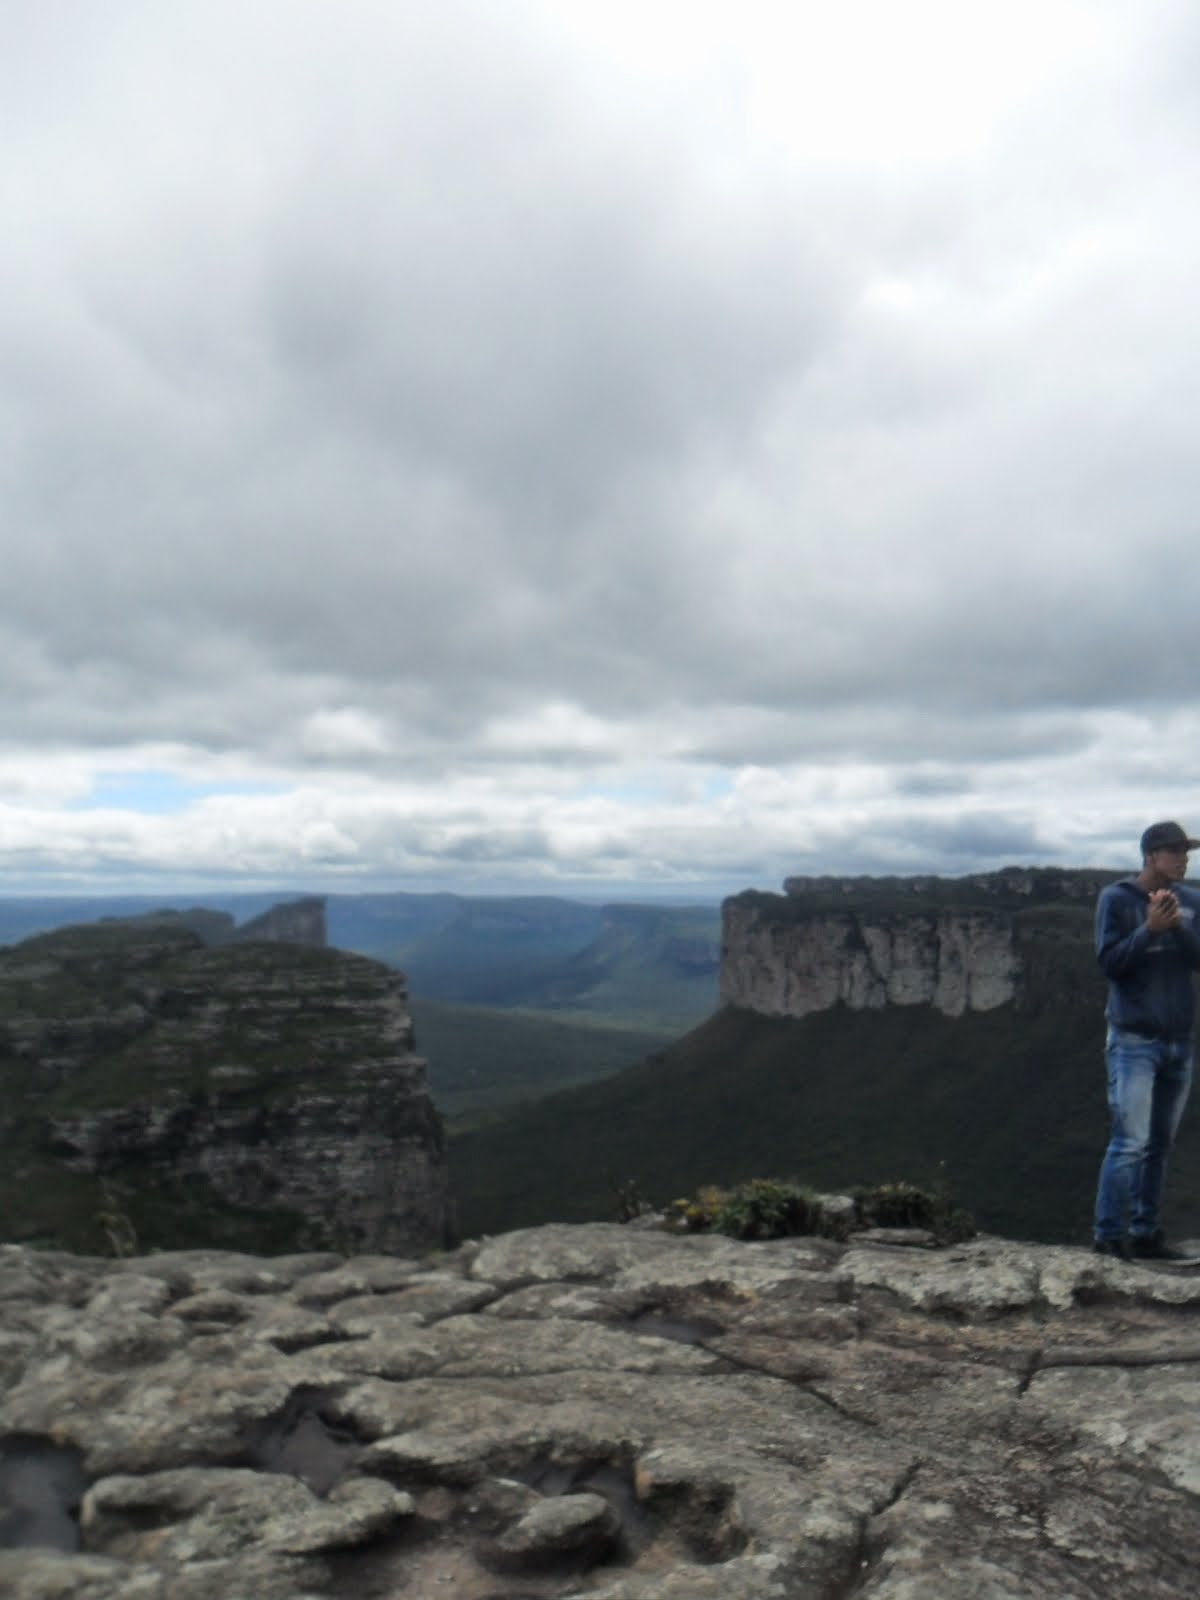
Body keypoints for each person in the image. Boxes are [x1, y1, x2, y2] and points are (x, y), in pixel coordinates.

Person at [1093, 820, 1200, 1260]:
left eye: (1186, 851)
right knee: (1130, 1143)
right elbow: (1110, 964)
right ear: (1151, 856)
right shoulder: (1116, 899)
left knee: (1159, 1145)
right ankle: (1108, 1237)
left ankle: (1146, 1234)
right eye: (1174, 851)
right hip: (1134, 1040)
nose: (1184, 857)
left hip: (1179, 1041)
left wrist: (1175, 926)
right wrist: (1149, 929)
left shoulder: (1192, 899)